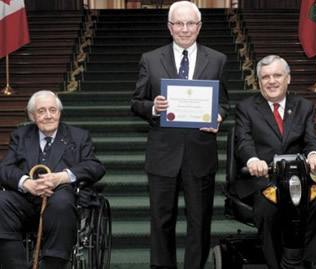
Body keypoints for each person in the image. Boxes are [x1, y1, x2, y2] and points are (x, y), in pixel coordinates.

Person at [131, 1, 230, 268]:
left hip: (200, 153)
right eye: (178, 23)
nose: (184, 29)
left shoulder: (217, 59)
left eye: (190, 24)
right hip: (163, 154)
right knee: (162, 220)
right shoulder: (150, 59)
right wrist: (153, 107)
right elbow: (136, 102)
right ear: (169, 27)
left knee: (200, 221)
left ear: (199, 27)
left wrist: (218, 115)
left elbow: (223, 102)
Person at [233, 55, 316, 269]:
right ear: (260, 81)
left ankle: (306, 261)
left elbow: (311, 139)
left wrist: (315, 155)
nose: (271, 81)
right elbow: (243, 141)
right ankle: (276, 265)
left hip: (297, 181)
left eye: (277, 75)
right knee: (267, 211)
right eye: (265, 77)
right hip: (264, 181)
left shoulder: (304, 106)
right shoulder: (246, 107)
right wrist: (253, 160)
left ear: (288, 78)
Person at [0, 90, 105, 269]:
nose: (48, 116)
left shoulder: (78, 136)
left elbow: (95, 167)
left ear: (59, 113)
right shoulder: (21, 136)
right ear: (32, 116)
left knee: (62, 201)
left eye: (52, 110)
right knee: (1, 201)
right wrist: (26, 183)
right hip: (25, 201)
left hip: (60, 201)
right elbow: (5, 168)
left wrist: (62, 177)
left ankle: (51, 265)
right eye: (41, 111)